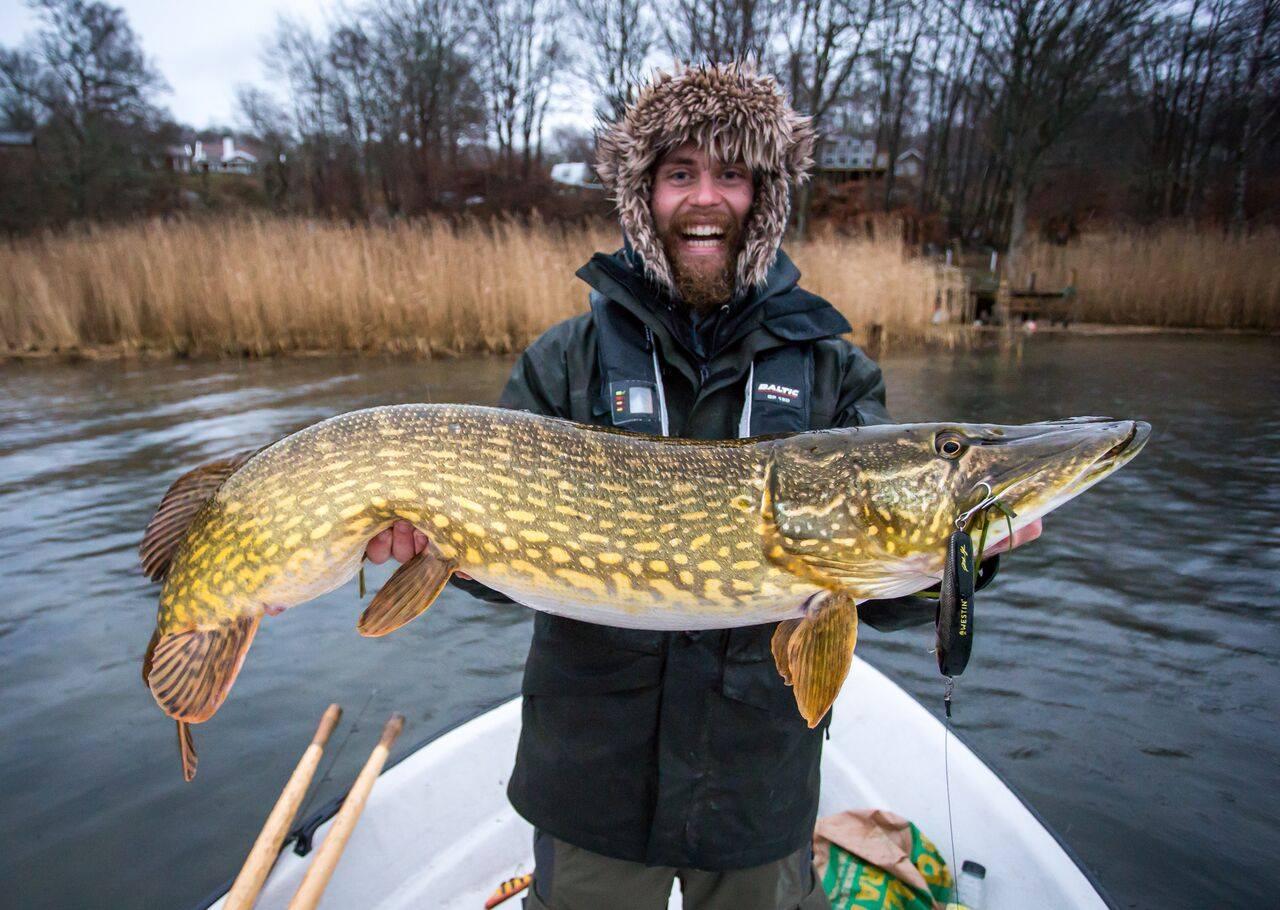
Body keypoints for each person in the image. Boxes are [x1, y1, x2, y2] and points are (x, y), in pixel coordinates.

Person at [366, 62, 1040, 910]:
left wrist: (961, 560)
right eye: (680, 174)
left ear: (764, 197)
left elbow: (879, 595)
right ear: (644, 195)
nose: (705, 198)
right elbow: (511, 569)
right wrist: (438, 552)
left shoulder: (833, 371)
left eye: (731, 174)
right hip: (591, 786)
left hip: (757, 792)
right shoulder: (566, 361)